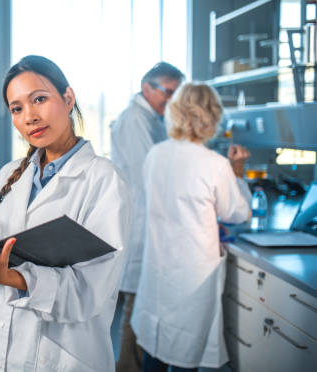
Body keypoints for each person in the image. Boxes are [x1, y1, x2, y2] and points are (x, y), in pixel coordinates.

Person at [0, 55, 129, 371]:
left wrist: (11, 276)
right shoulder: (10, 174)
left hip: (62, 354)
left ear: (68, 98)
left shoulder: (103, 179)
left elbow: (91, 290)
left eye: (39, 99)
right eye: (17, 108)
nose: (30, 117)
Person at [131, 83, 252, 372]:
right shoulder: (216, 164)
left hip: (159, 268)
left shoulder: (156, 154)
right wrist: (237, 173)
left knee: (155, 349)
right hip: (192, 275)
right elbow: (237, 213)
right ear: (212, 116)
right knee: (184, 355)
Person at [109, 61, 184, 372]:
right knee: (136, 308)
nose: (173, 99)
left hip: (150, 222)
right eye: (168, 92)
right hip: (141, 224)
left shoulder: (152, 118)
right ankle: (128, 368)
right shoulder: (135, 120)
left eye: (177, 93)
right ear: (147, 88)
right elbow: (150, 176)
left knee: (141, 307)